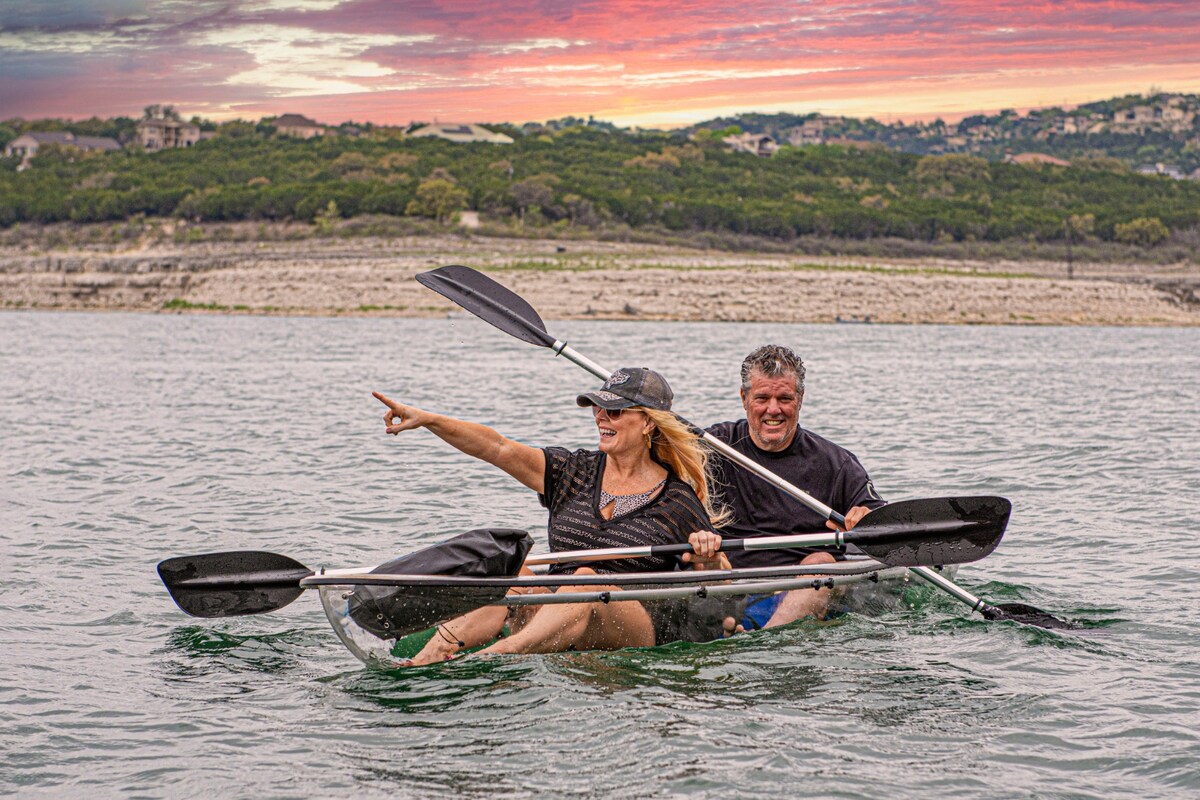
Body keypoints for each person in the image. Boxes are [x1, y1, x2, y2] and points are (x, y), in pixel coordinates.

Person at [373, 367, 728, 664]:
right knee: (515, 569)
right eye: (598, 409)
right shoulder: (573, 471)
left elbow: (721, 580)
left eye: (615, 411)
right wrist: (429, 420)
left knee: (587, 578)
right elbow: (498, 447)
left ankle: (499, 655)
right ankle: (434, 652)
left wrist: (707, 555)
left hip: (632, 625)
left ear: (648, 423)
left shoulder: (678, 499)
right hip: (557, 612)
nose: (602, 417)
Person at [688, 344, 885, 630]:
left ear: (800, 399)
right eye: (762, 398)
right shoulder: (710, 446)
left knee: (822, 560)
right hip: (727, 579)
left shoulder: (835, 463)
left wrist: (867, 520)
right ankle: (726, 628)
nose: (773, 409)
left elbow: (883, 524)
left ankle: (759, 643)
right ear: (744, 398)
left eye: (784, 398)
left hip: (801, 587)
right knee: (703, 556)